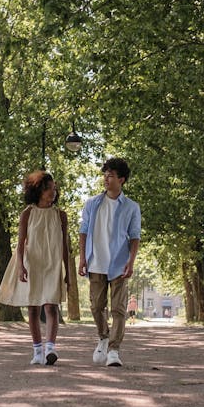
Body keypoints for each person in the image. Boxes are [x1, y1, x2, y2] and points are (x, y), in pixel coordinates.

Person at [0, 171, 72, 366]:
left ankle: (50, 348)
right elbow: (21, 243)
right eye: (48, 189)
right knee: (33, 308)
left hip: (53, 264)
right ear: (38, 190)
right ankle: (37, 350)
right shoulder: (27, 213)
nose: (53, 192)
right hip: (33, 264)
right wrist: (20, 267)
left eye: (54, 189)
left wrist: (68, 272)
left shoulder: (60, 215)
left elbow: (65, 246)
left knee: (51, 306)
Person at [78, 157, 141, 368]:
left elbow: (135, 237)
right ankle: (103, 337)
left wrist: (131, 261)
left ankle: (114, 351)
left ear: (121, 180)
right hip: (95, 262)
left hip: (119, 265)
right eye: (105, 175)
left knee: (119, 309)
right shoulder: (92, 204)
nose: (106, 179)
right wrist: (82, 258)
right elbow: (83, 232)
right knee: (96, 306)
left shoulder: (131, 207)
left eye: (111, 175)